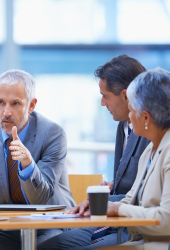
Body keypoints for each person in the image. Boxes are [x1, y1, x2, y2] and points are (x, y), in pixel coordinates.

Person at [0, 69, 75, 250]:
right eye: (1, 102)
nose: (6, 112)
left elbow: (40, 199)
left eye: (15, 103)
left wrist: (27, 163)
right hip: (2, 227)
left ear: (31, 105)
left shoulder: (53, 134)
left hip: (48, 225)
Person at [37, 55, 151, 250]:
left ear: (125, 96)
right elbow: (135, 180)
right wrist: (112, 187)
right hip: (110, 222)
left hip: (131, 227)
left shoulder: (149, 130)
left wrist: (101, 202)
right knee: (45, 247)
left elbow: (148, 194)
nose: (102, 103)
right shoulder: (123, 125)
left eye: (105, 96)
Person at [81, 68, 170, 250]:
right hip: (143, 243)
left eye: (132, 110)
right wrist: (102, 206)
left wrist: (117, 210)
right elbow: (131, 199)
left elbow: (168, 220)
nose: (129, 119)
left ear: (146, 117)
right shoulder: (152, 148)